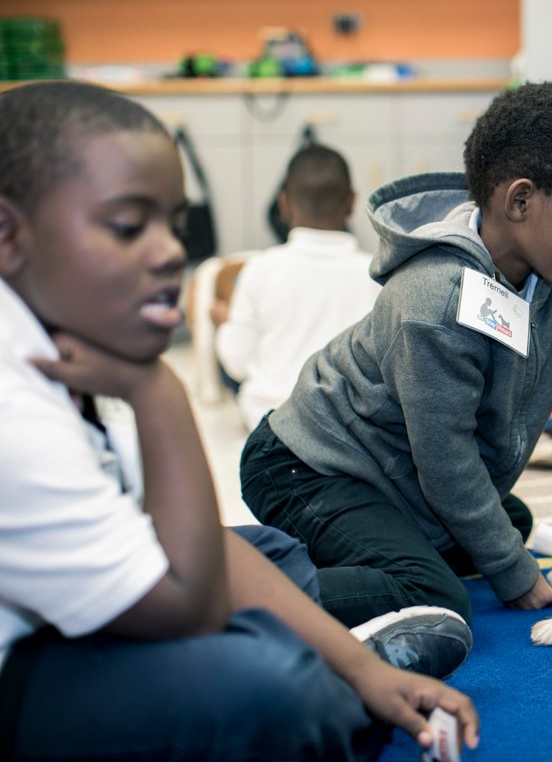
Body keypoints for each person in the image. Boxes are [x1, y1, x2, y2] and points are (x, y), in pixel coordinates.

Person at [0, 80, 479, 761]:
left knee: (274, 553)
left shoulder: (54, 342)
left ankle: (325, 660)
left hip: (77, 614)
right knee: (267, 690)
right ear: (8, 235)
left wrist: (361, 668)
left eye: (173, 223)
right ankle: (308, 682)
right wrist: (157, 391)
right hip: (19, 672)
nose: (170, 251)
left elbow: (171, 540)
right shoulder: (18, 415)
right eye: (129, 226)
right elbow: (187, 606)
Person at [239, 81, 552, 629]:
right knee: (432, 594)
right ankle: (228, 590)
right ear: (520, 201)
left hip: (395, 474)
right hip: (306, 468)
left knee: (509, 521)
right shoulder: (434, 302)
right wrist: (516, 575)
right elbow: (448, 466)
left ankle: (353, 550)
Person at [213, 143, 380, 430]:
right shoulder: (376, 275)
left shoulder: (260, 270)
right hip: (351, 432)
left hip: (271, 425)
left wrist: (225, 325)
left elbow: (236, 364)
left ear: (283, 204)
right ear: (352, 201)